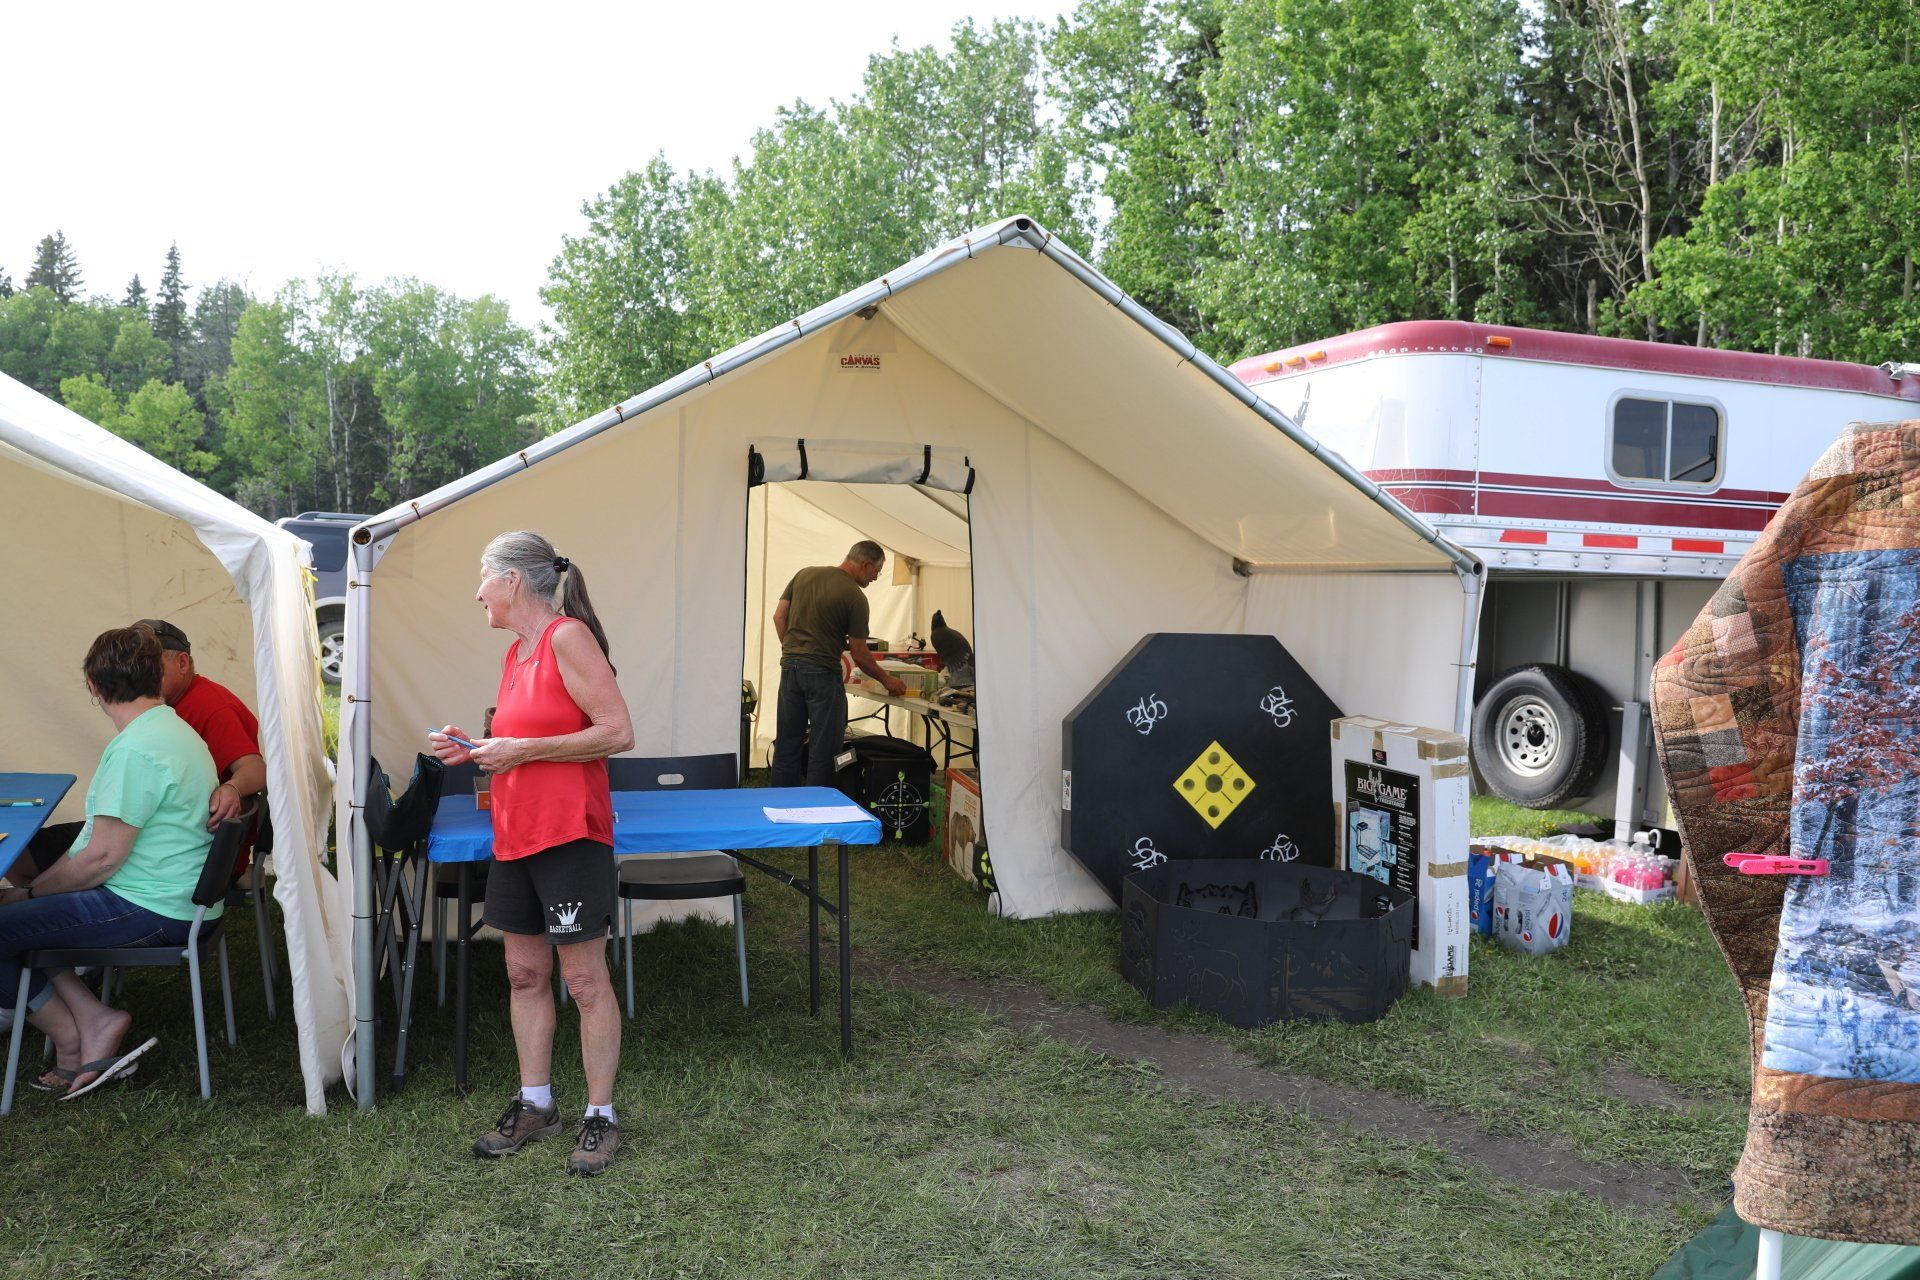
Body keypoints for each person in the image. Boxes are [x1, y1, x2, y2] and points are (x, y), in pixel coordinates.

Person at [429, 531, 633, 1176]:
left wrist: (521, 751)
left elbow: (617, 732)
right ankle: (536, 1102)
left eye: (483, 578)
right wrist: (481, 748)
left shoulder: (566, 637)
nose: (478, 592)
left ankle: (600, 1116)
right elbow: (528, 735)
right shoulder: (517, 651)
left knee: (582, 979)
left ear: (513, 580)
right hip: (515, 834)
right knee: (523, 975)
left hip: (569, 833)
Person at [0, 626, 221, 1097]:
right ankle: (92, 1018)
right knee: (20, 917)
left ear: (93, 687)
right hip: (173, 900)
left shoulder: (137, 749)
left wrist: (32, 892)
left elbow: (100, 859)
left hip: (154, 908)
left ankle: (69, 1036)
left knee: (10, 917)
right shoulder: (169, 729)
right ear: (158, 675)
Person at [14, 618, 264, 886]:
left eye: (148, 664)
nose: (138, 672)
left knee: (27, 857)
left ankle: (37, 902)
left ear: (181, 663)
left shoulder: (210, 707)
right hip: (174, 839)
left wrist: (233, 788)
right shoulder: (160, 714)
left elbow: (257, 770)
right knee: (27, 849)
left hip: (182, 856)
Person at [771, 539, 906, 788]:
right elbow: (860, 653)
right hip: (822, 674)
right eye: (876, 571)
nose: (875, 578)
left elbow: (779, 616)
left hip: (790, 669)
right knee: (824, 748)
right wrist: (887, 679)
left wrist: (792, 650)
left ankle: (780, 806)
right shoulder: (855, 597)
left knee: (788, 743)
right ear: (865, 564)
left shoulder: (804, 574)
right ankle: (817, 812)